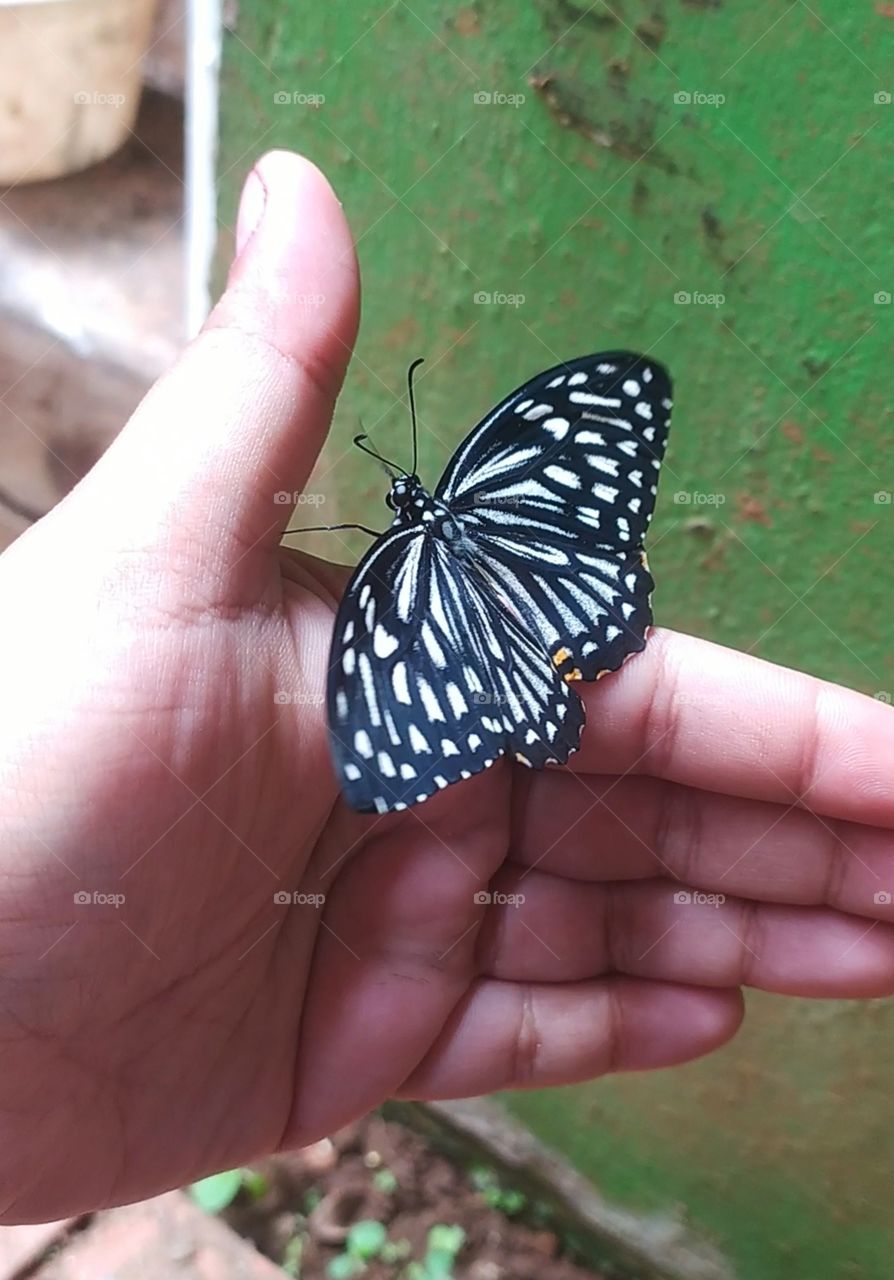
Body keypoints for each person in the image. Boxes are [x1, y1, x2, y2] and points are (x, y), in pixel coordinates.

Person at [1, 150, 892, 1225]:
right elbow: (382, 729)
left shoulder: (389, 585)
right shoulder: (406, 565)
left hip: (525, 627)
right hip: (555, 601)